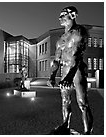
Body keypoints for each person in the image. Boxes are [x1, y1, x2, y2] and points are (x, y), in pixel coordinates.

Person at [47, 6, 93, 134]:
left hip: (77, 70)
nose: (60, 17)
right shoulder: (60, 39)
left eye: (63, 15)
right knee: (65, 101)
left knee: (82, 103)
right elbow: (56, 60)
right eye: (60, 15)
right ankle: (65, 125)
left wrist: (69, 77)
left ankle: (87, 132)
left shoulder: (79, 32)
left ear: (72, 15)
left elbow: (76, 56)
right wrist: (52, 76)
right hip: (66, 70)